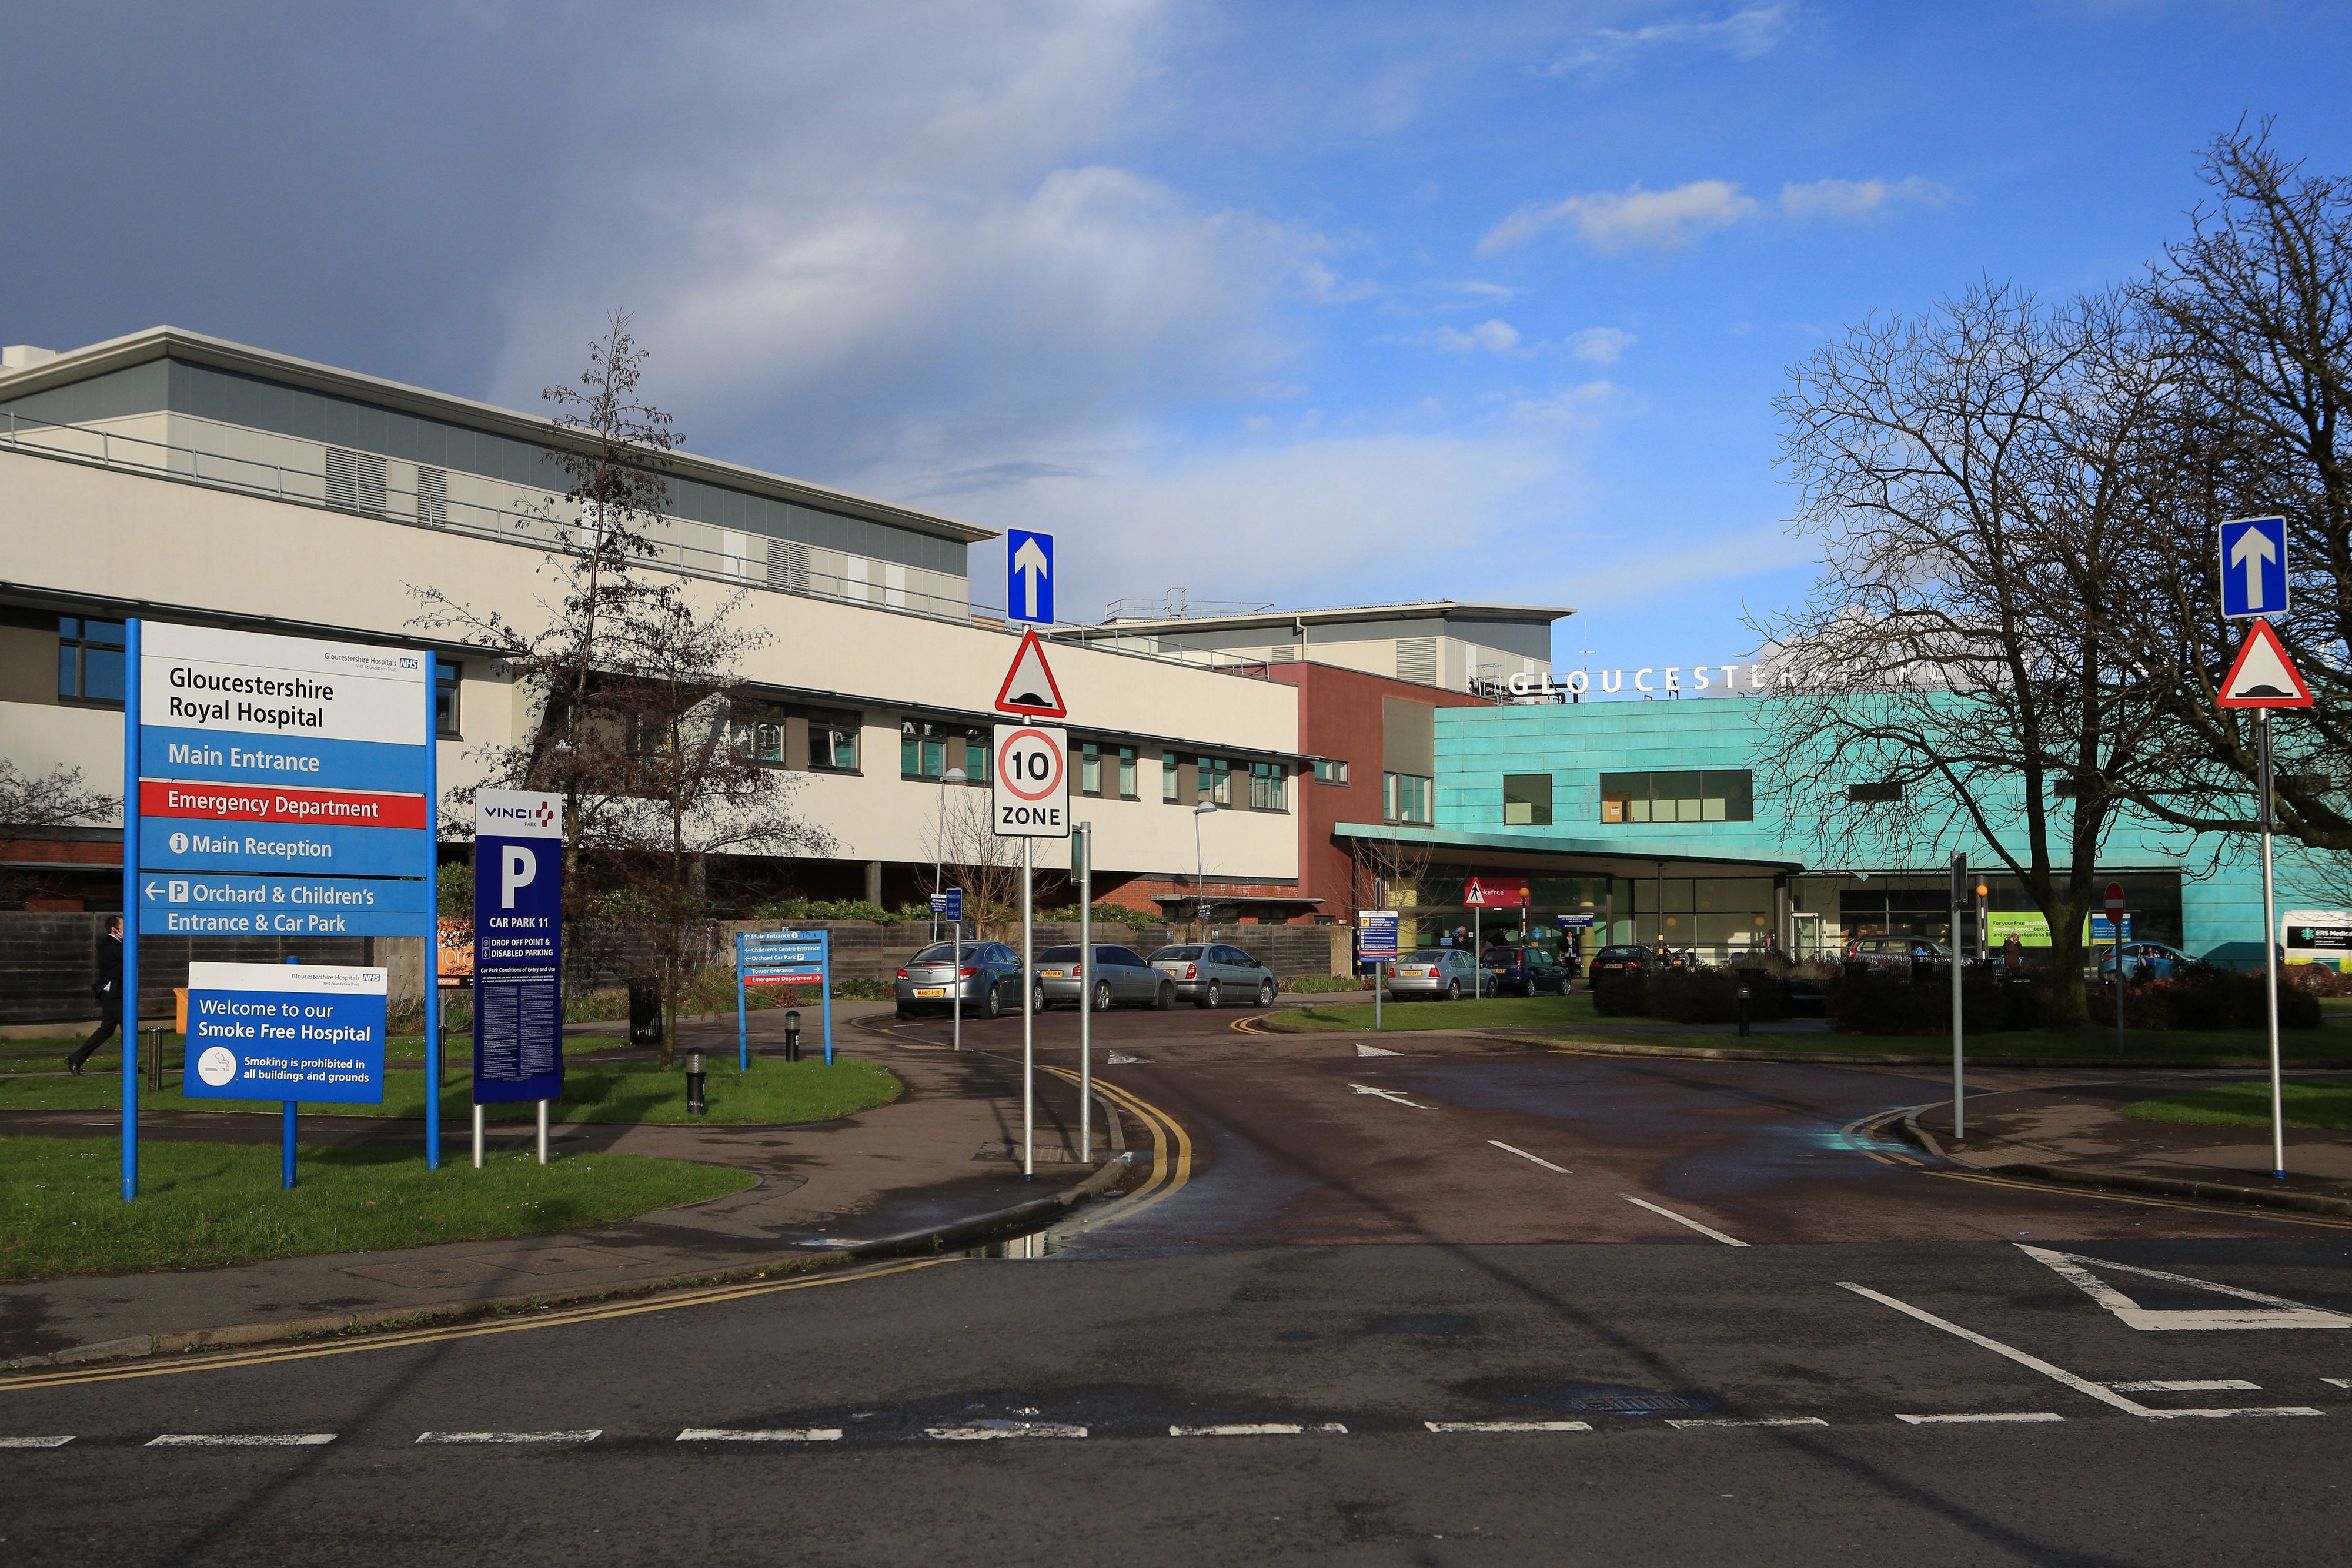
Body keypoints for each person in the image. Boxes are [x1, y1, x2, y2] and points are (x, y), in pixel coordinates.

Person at [66, 914, 124, 1075]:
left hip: (114, 993)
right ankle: (130, 1067)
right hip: (114, 994)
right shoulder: (111, 944)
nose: (129, 931)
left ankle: (76, 1059)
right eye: (125, 927)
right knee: (128, 1029)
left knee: (106, 1030)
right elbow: (127, 955)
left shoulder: (115, 944)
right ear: (114, 929)